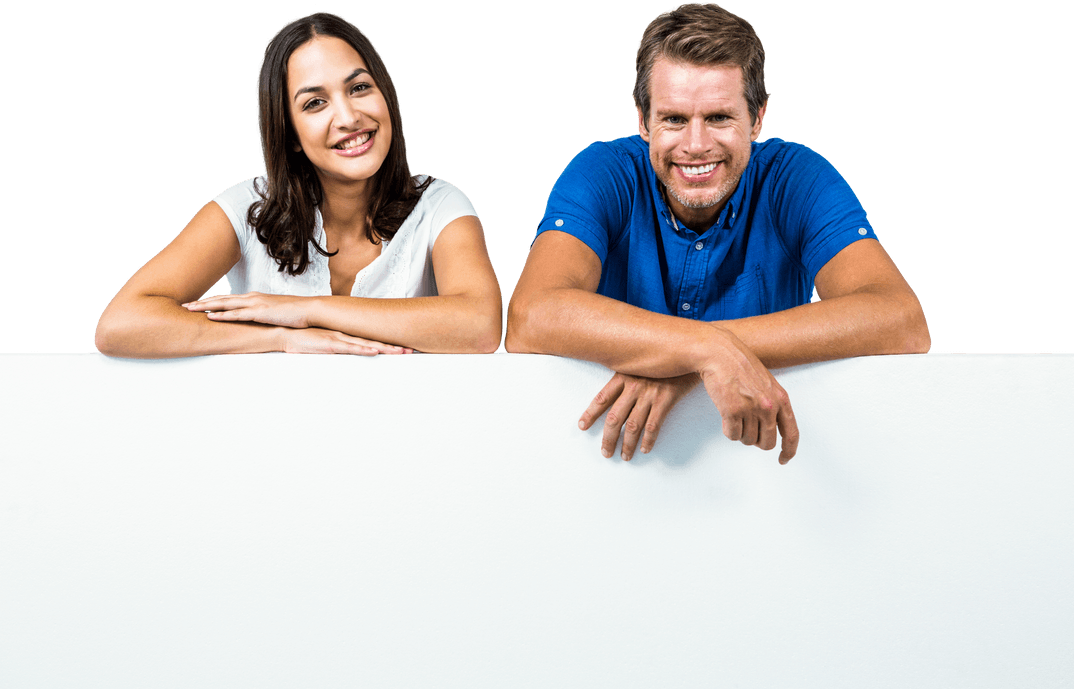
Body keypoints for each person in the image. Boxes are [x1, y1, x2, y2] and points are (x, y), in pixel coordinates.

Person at [506, 3, 930, 464]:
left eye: (719, 118)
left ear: (758, 117)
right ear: (644, 120)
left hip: (764, 470)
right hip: (605, 464)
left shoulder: (797, 177)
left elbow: (901, 320)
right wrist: (703, 349)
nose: (695, 144)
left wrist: (692, 357)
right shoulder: (604, 171)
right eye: (673, 119)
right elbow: (531, 317)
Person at [96, 12, 502, 358]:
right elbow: (122, 323)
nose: (347, 117)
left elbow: (480, 326)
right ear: (290, 133)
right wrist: (281, 336)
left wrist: (305, 310)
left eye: (359, 88)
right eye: (315, 103)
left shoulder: (440, 204)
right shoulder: (246, 207)